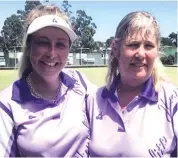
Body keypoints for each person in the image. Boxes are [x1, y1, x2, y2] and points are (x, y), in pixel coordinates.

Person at [0, 4, 96, 157]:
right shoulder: (7, 103)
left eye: (60, 44)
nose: (52, 53)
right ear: (29, 46)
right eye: (43, 42)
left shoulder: (79, 81)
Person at [86, 11, 177, 157]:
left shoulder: (172, 100)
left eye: (148, 46)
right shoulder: (93, 100)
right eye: (133, 45)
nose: (141, 54)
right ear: (116, 49)